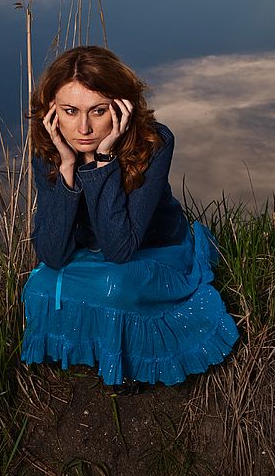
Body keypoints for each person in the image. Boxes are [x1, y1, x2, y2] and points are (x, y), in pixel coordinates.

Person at [20, 46, 238, 394]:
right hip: (90, 253)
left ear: (121, 108)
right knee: (42, 285)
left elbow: (120, 247)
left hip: (153, 249)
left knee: (115, 285)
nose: (84, 127)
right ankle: (97, 346)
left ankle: (131, 358)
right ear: (52, 113)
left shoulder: (154, 142)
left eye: (98, 111)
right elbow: (53, 254)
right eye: (71, 111)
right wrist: (66, 169)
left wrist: (103, 160)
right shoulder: (50, 150)